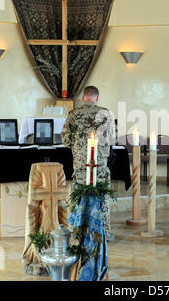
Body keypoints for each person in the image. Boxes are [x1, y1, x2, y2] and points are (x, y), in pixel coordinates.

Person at [62, 86, 117, 241]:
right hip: (99, 163)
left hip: (81, 164)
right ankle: (104, 231)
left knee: (79, 195)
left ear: (83, 97)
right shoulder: (106, 114)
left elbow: (65, 139)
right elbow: (113, 139)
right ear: (97, 98)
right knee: (102, 195)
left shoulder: (73, 114)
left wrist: (78, 146)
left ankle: (78, 230)